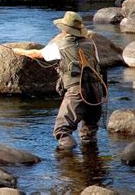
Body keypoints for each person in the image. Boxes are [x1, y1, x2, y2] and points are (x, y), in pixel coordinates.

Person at [12, 11, 106, 150]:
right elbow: (98, 65)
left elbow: (37, 54)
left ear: (64, 29)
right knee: (90, 131)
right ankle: (91, 162)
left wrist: (19, 51)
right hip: (97, 89)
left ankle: (66, 161)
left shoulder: (60, 45)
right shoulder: (90, 43)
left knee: (62, 130)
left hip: (77, 91)